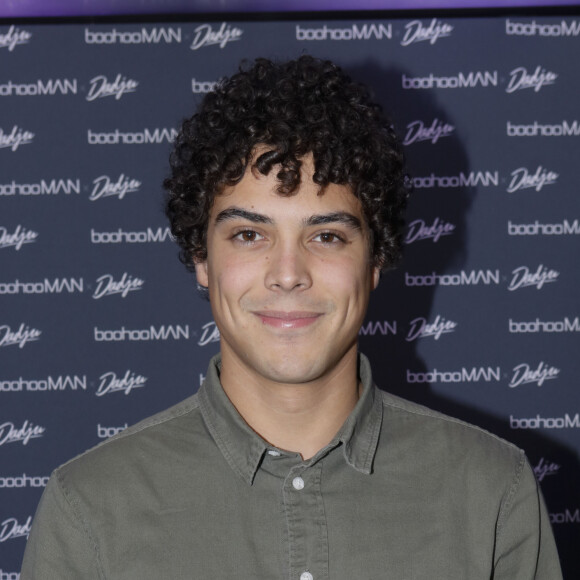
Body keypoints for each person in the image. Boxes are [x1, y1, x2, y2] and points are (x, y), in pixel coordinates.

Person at [21, 56, 561, 579]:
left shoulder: (492, 492)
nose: (288, 273)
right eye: (250, 235)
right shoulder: (89, 507)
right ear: (202, 260)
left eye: (326, 236)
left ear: (375, 262)